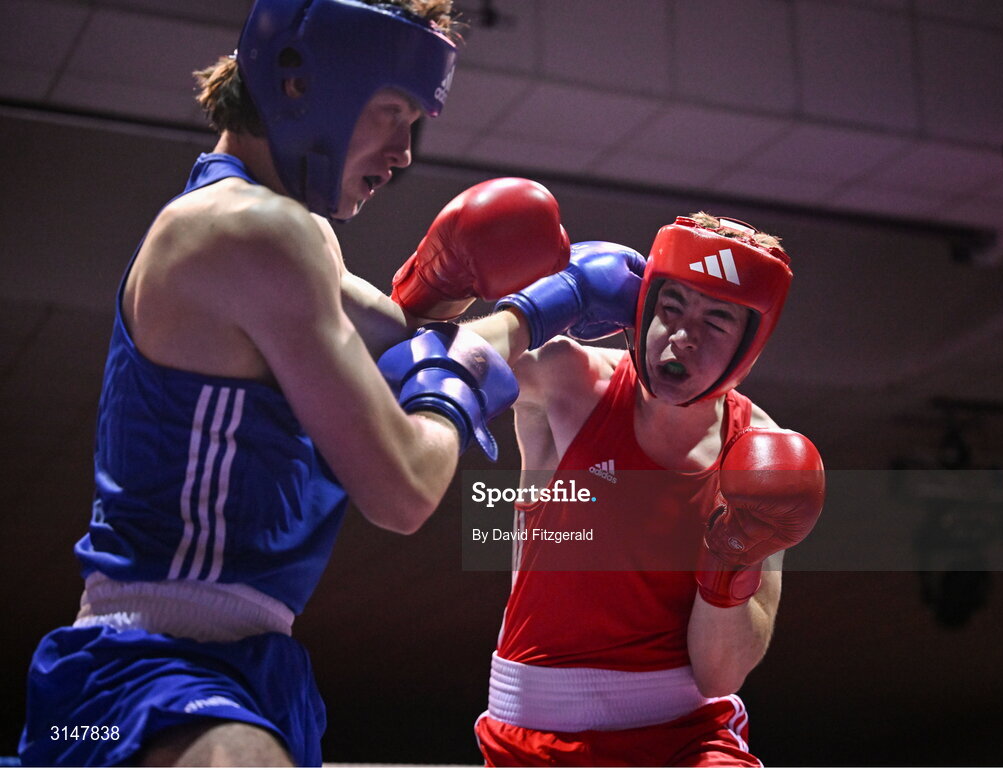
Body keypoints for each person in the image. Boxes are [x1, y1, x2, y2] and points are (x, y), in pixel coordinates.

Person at [18, 0, 570, 766]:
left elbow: (402, 346)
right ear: (304, 84)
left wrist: (539, 305)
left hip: (247, 663)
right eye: (391, 114)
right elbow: (404, 486)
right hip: (147, 669)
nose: (405, 152)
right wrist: (532, 314)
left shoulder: (293, 233)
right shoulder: (245, 231)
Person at [463, 214, 826, 766]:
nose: (682, 335)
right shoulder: (573, 382)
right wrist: (541, 310)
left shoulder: (763, 459)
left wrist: (731, 554)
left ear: (749, 346)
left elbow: (720, 673)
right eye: (672, 306)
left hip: (687, 736)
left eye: (717, 320)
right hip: (535, 729)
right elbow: (432, 365)